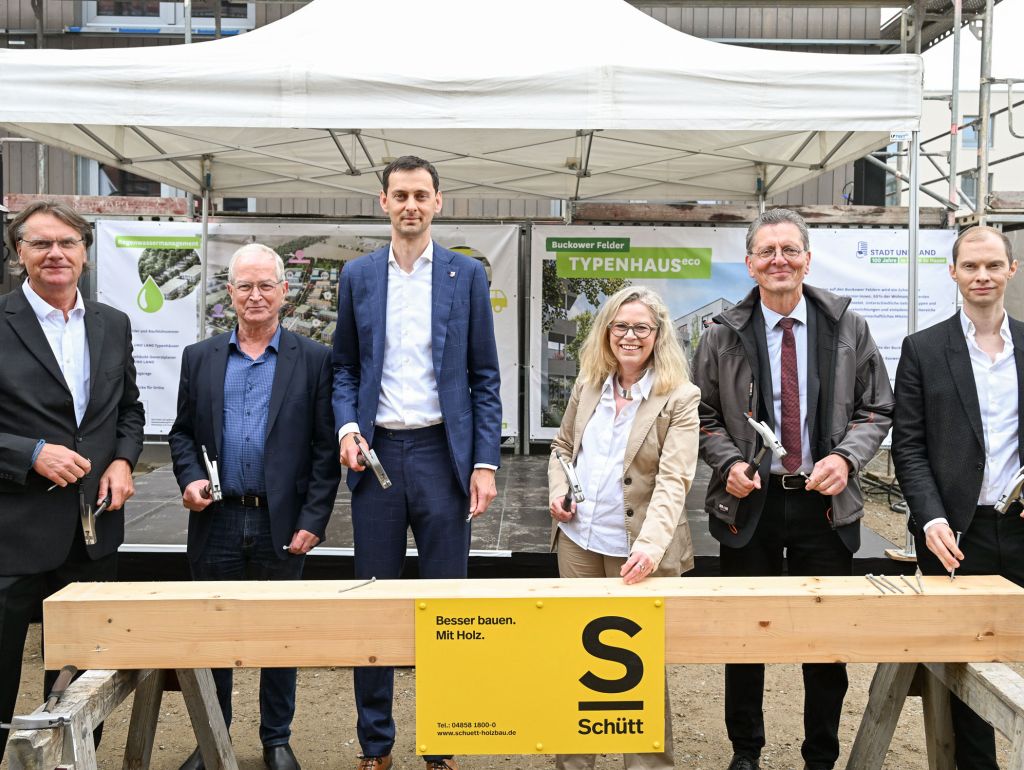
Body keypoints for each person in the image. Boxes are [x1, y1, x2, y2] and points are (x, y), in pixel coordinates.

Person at [692, 208, 893, 770]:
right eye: (767, 251)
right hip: (748, 502)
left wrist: (848, 460)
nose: (779, 260)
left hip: (824, 504)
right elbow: (700, 414)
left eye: (790, 249)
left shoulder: (848, 327)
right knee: (744, 635)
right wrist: (727, 460)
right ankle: (746, 754)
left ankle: (820, 756)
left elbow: (878, 407)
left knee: (825, 639)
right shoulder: (721, 333)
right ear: (750, 263)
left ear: (807, 258)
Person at [331, 155, 502, 770]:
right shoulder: (359, 276)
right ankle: (375, 746)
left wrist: (486, 461)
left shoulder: (466, 275)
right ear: (382, 202)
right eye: (399, 195)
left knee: (447, 605)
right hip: (376, 457)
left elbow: (485, 375)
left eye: (420, 195)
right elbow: (345, 366)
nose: (410, 205)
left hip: (442, 456)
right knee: (374, 601)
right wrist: (348, 427)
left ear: (438, 202)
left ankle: (442, 743)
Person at [168, 243, 340, 770]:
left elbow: (323, 451)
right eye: (245, 285)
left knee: (277, 637)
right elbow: (181, 435)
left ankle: (276, 740)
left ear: (285, 292)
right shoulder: (200, 358)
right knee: (213, 635)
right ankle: (211, 739)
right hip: (216, 518)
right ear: (230, 294)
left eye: (266, 285)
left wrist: (313, 520)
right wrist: (192, 478)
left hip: (280, 521)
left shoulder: (313, 359)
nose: (256, 295)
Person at [0, 201, 145, 761]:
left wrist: (124, 460)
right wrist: (30, 452)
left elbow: (128, 410)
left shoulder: (113, 323)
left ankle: (66, 761)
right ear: (20, 255)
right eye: (40, 244)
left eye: (67, 243)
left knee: (79, 677)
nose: (55, 254)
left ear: (85, 252)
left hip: (92, 530)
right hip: (13, 531)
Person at [547, 285, 700, 770]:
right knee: (578, 660)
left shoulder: (680, 396)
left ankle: (648, 766)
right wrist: (558, 491)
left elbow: (675, 479)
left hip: (637, 551)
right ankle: (574, 763)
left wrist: (652, 548)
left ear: (658, 335)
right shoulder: (589, 383)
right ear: (606, 330)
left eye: (641, 327)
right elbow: (562, 449)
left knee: (639, 667)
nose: (629, 336)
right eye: (620, 325)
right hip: (579, 543)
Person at [892, 225, 1022, 770]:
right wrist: (931, 519)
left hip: (1020, 527)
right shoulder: (922, 349)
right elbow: (910, 446)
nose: (982, 276)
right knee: (969, 672)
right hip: (956, 536)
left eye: (993, 265)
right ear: (953, 273)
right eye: (971, 266)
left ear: (1011, 270)